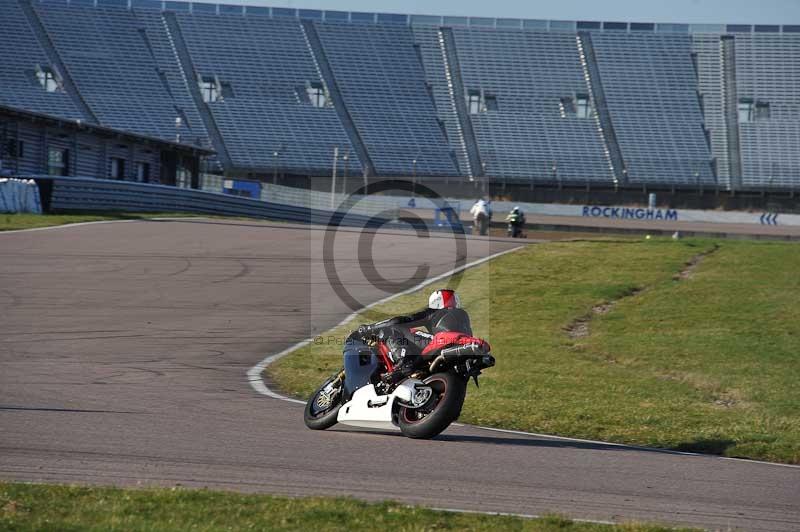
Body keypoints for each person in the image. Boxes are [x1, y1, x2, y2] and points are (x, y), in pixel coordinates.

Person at [357, 289, 472, 384]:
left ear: (437, 302)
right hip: (461, 353)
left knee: (394, 328)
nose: (455, 302)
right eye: (454, 299)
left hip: (442, 343)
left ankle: (403, 362)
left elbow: (399, 321)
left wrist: (369, 328)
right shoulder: (464, 315)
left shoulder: (434, 312)